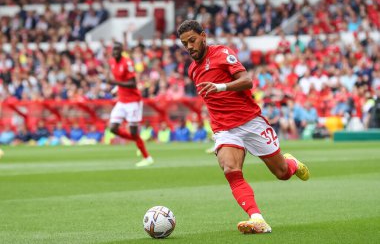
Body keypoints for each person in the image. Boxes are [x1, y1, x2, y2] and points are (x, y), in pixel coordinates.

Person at [177, 20, 310, 234]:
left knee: (282, 172)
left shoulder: (222, 54)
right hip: (224, 128)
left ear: (204, 36)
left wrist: (220, 87)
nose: (190, 47)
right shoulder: (193, 70)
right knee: (230, 169)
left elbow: (247, 81)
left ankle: (291, 163)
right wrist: (219, 138)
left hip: (250, 122)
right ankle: (257, 218)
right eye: (185, 44)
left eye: (192, 40)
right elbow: (212, 102)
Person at [106, 42, 153, 167]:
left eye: (117, 50)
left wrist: (114, 82)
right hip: (121, 100)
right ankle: (138, 142)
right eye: (113, 49)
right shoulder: (111, 62)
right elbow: (121, 81)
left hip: (133, 101)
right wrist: (116, 88)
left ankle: (147, 158)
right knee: (113, 128)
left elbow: (132, 83)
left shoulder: (127, 63)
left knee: (133, 131)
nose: (115, 52)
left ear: (121, 51)